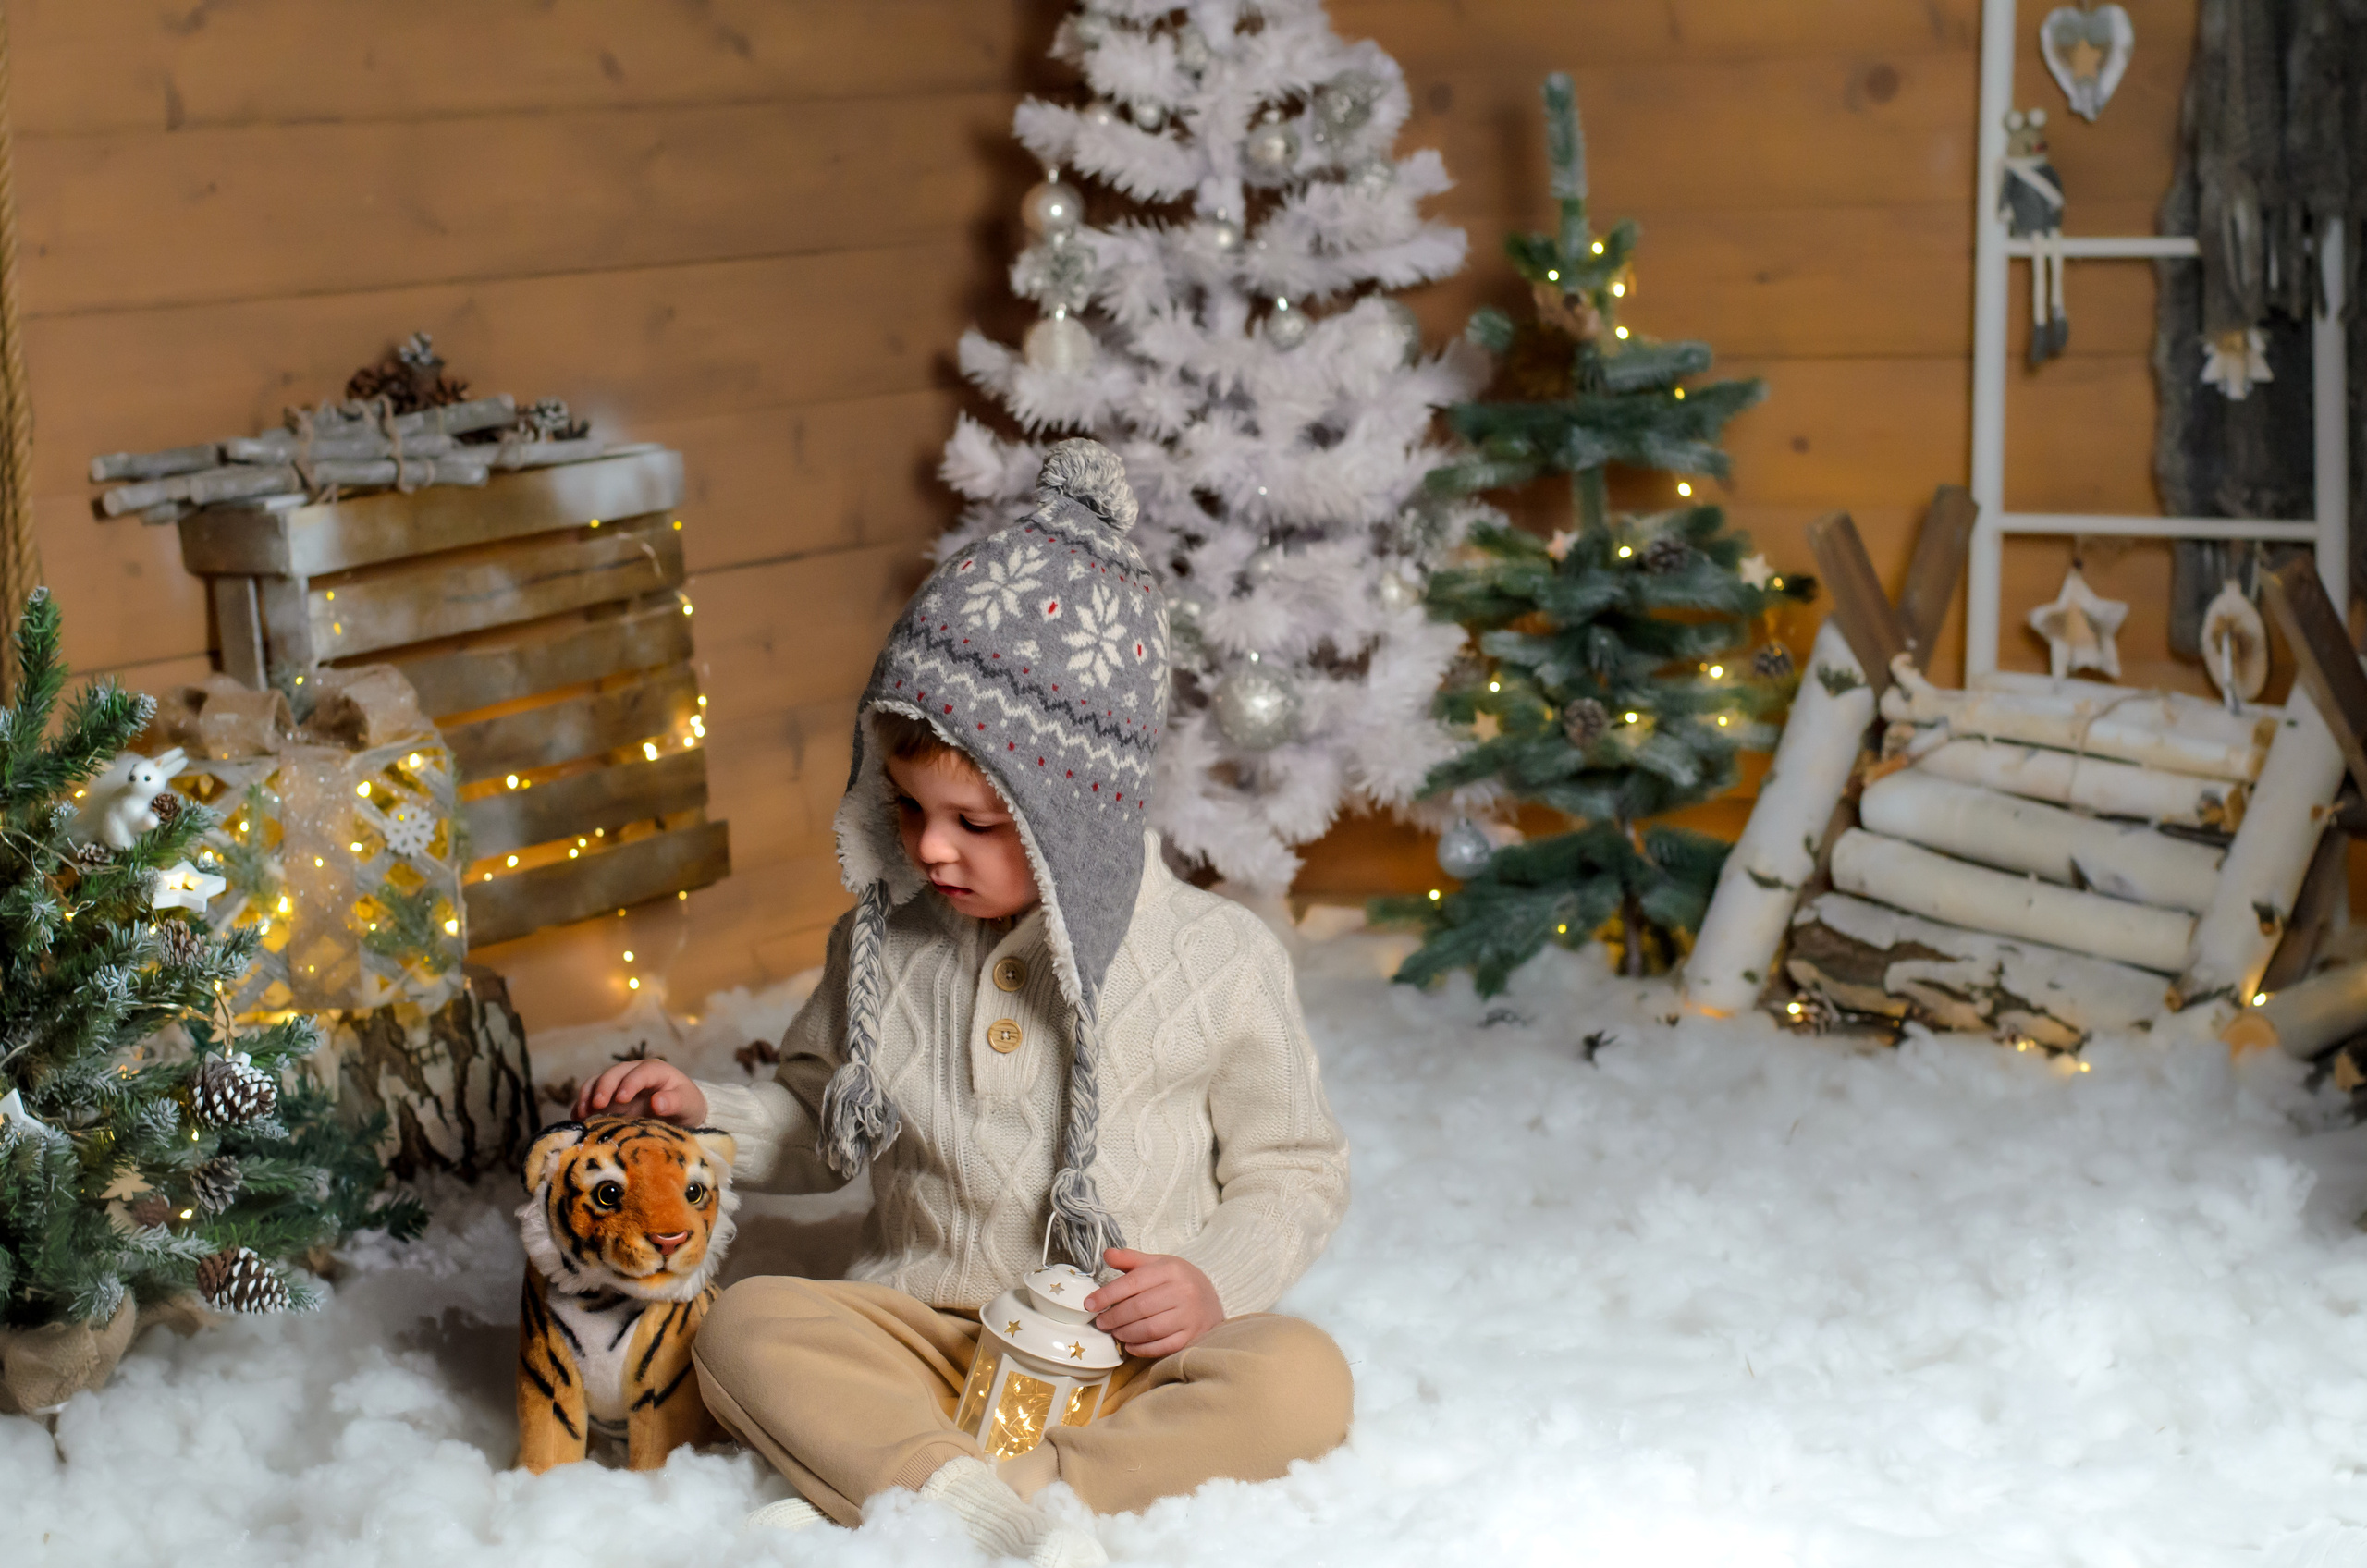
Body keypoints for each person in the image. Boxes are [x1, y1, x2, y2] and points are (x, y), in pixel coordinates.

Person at [573, 440, 1352, 1568]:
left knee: (1301, 1379)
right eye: (906, 806)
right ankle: (942, 1480)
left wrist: (1210, 1283)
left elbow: (1294, 1167)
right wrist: (701, 1113)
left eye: (976, 824)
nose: (930, 849)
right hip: (930, 1333)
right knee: (746, 1324)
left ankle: (993, 1495)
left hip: (1127, 1350)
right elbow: (819, 1122)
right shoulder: (884, 945)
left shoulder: (1217, 958)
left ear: (1077, 816)